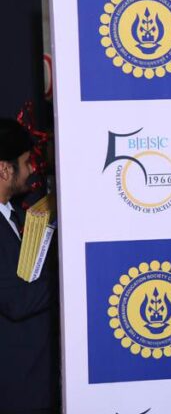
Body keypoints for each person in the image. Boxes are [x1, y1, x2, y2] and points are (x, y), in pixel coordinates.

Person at [0, 118, 60, 414]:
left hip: (34, 379)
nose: (32, 170)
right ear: (4, 170)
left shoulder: (15, 214)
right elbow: (15, 300)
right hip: (17, 388)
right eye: (26, 163)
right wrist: (68, 279)